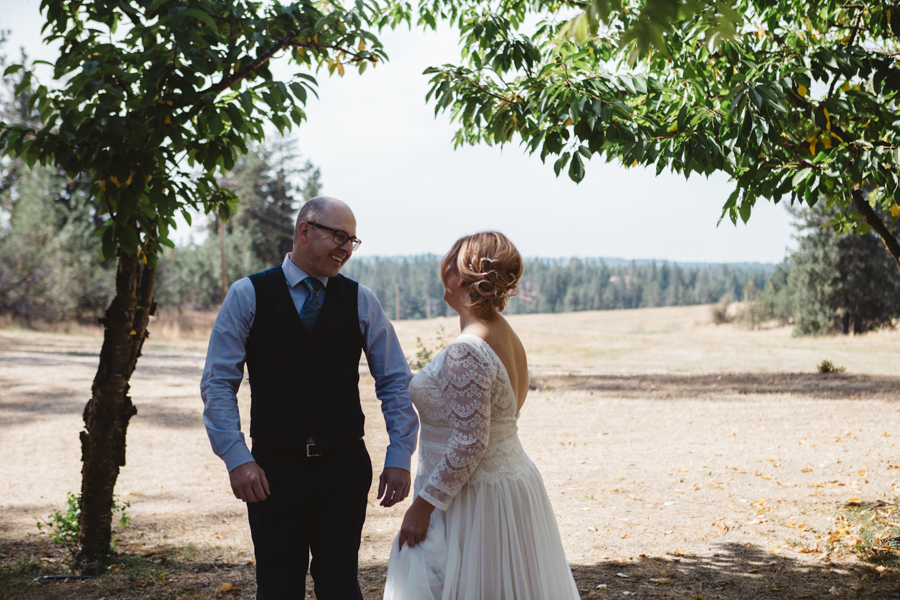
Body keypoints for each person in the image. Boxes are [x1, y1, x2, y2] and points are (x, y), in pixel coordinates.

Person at [200, 197, 419, 600]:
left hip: (344, 469)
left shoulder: (360, 299)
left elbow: (394, 380)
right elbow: (217, 383)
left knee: (339, 584)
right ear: (304, 231)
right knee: (278, 586)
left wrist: (399, 456)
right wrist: (236, 457)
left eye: (352, 240)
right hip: (271, 471)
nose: (346, 249)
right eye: (338, 236)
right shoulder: (248, 294)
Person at [383, 231, 580, 599]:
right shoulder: (504, 333)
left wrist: (422, 508)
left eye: (449, 262)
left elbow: (470, 442)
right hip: (505, 485)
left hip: (471, 500)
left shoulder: (466, 351)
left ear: (461, 276)